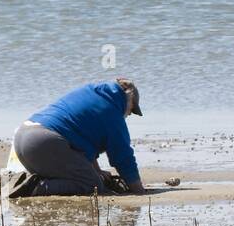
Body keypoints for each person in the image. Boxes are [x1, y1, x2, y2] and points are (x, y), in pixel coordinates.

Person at [12, 79, 145, 196]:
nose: (128, 115)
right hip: (43, 142)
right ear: (128, 99)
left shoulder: (91, 92)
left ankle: (33, 181)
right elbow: (123, 157)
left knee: (87, 178)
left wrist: (96, 171)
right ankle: (36, 187)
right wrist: (138, 190)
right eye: (131, 111)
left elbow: (83, 139)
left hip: (22, 137)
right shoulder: (113, 112)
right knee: (93, 185)